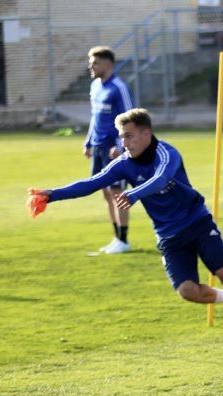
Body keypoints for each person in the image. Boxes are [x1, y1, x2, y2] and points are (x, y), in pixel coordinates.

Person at [31, 108, 223, 342]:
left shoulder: (167, 153)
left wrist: (134, 194)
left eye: (128, 136)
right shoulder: (124, 163)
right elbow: (91, 183)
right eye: (121, 137)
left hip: (198, 223)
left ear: (145, 133)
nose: (124, 143)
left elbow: (161, 179)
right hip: (169, 235)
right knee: (187, 292)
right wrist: (50, 195)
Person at [84, 46, 135, 254]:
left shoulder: (119, 87)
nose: (91, 66)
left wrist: (122, 146)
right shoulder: (95, 86)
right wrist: (88, 142)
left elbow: (131, 118)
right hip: (99, 148)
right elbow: (95, 117)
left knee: (117, 193)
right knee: (106, 193)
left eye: (95, 62)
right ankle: (116, 238)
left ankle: (123, 240)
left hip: (115, 150)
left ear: (107, 64)